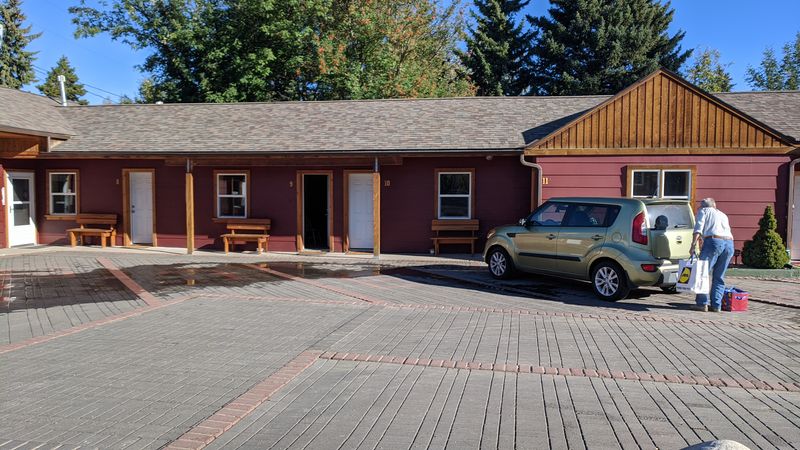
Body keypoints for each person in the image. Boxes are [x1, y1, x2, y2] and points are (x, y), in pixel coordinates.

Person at [689, 198, 734, 312]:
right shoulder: (723, 214)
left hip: (713, 241)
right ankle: (716, 305)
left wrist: (693, 244)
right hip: (729, 243)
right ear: (715, 205)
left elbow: (698, 228)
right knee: (719, 276)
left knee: (702, 273)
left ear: (703, 206)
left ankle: (702, 303)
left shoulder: (704, 211)